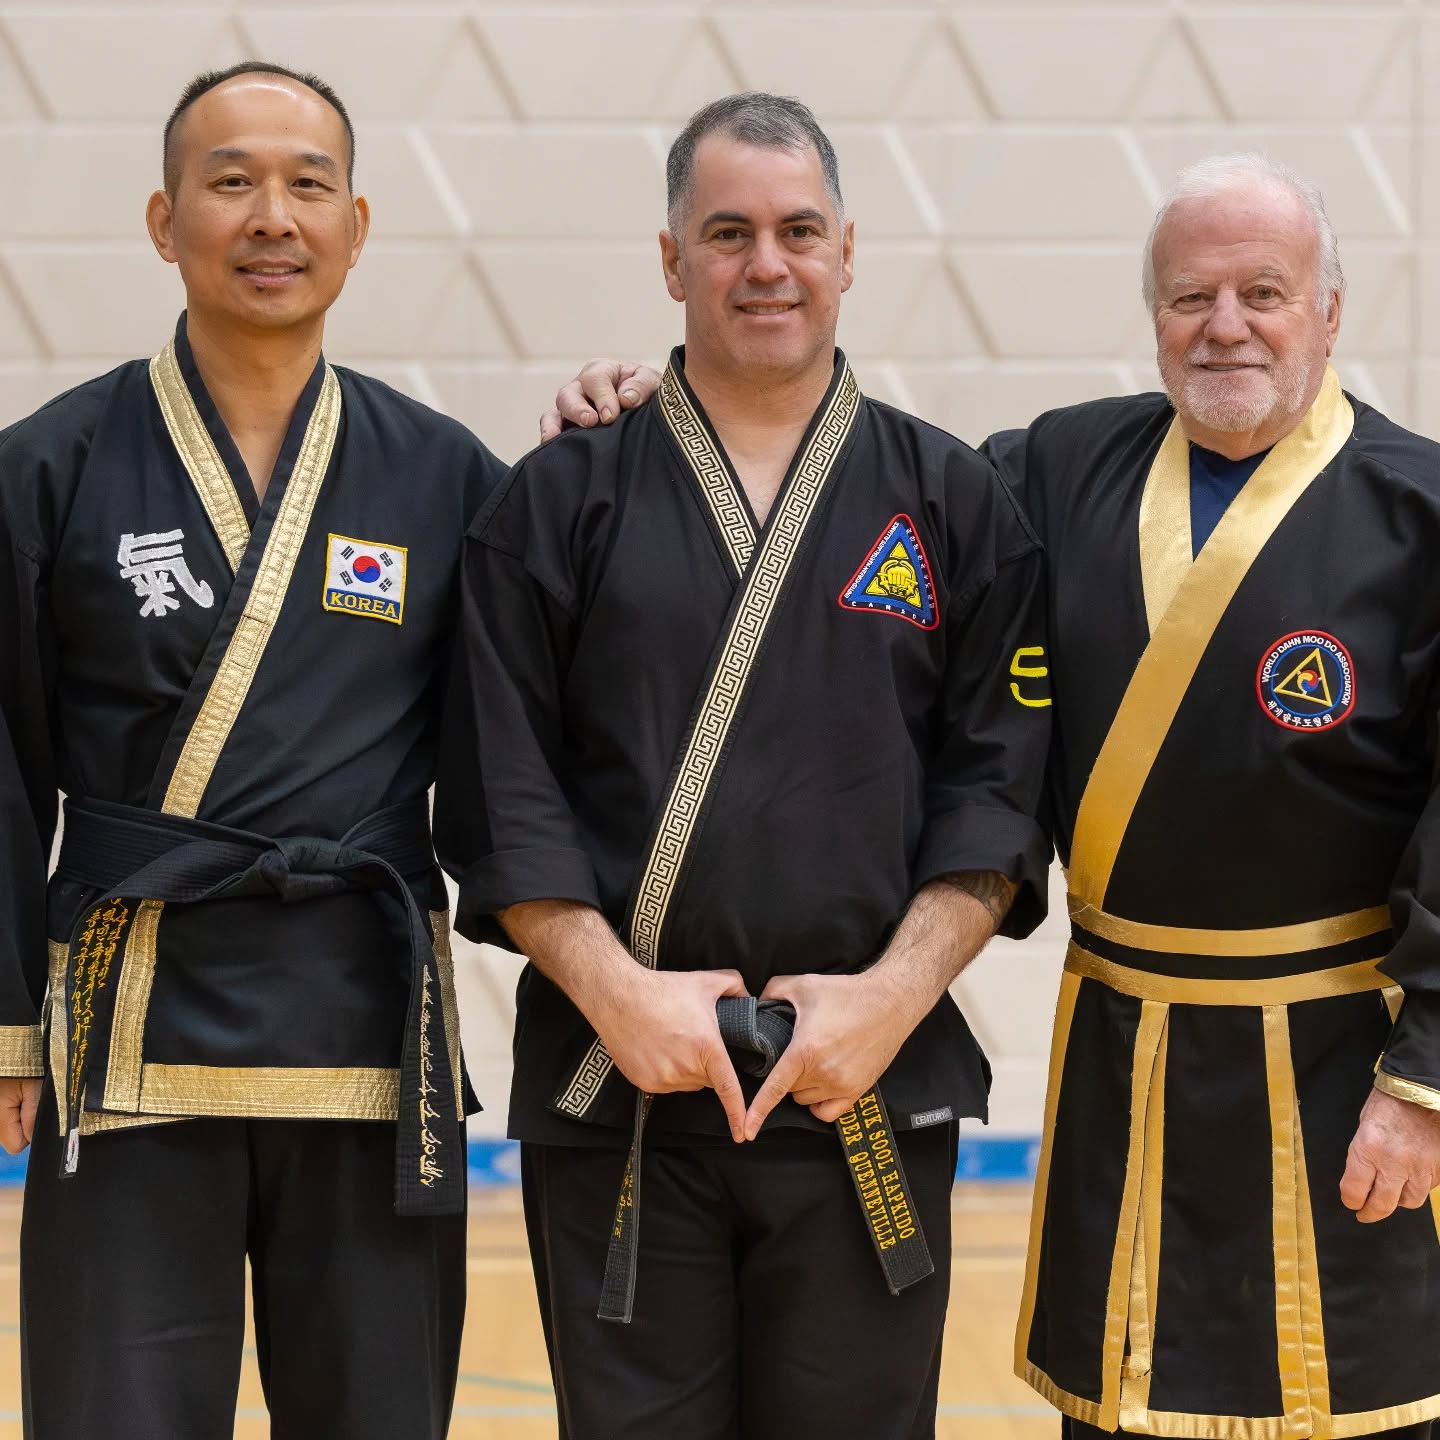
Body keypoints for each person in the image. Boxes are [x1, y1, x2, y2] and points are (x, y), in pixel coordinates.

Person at [554, 150, 1440, 1438]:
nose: (1227, 326)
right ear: (1154, 317)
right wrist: (657, 402)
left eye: (1266, 290)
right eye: (1192, 297)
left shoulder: (1419, 511)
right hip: (1123, 1040)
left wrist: (1424, 1082)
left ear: (1331, 310)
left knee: (1353, 1409)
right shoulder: (1057, 471)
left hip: (1339, 1066)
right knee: (1122, 1407)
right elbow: (847, 497)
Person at [436, 91, 1052, 1438]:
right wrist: (619, 996)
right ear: (671, 261)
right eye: (726, 232)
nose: (765, 263)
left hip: (871, 1081)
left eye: (796, 230)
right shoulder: (557, 499)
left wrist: (888, 1002)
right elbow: (499, 790)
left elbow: (997, 794)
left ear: (847, 251)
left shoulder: (955, 503)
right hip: (623, 1091)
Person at [0, 62, 506, 1438]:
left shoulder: (450, 477)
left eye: (306, 184)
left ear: (356, 224)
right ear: (165, 222)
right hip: (129, 1025)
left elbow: (523, 747)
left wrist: (623, 430)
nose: (270, 216)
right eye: (231, 182)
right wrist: (2, 1018)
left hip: (363, 1020)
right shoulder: (50, 466)